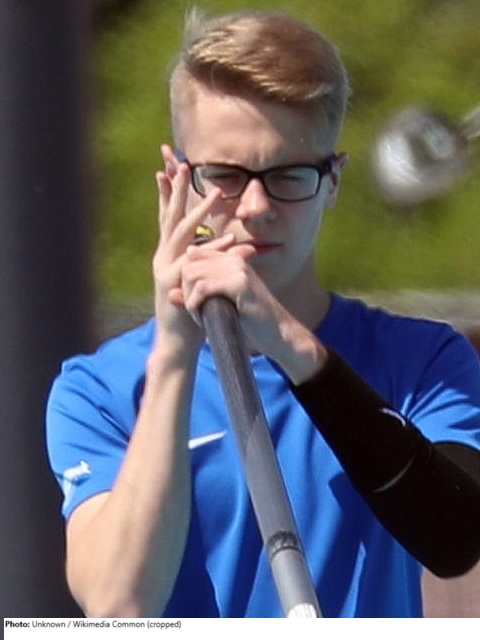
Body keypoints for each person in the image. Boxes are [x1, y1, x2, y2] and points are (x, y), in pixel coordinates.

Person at [46, 8, 480, 618]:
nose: (254, 207)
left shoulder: (424, 360)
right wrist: (174, 352)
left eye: (289, 175)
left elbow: (456, 541)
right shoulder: (98, 389)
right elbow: (119, 608)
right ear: (177, 180)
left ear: (333, 180)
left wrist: (288, 343)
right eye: (224, 176)